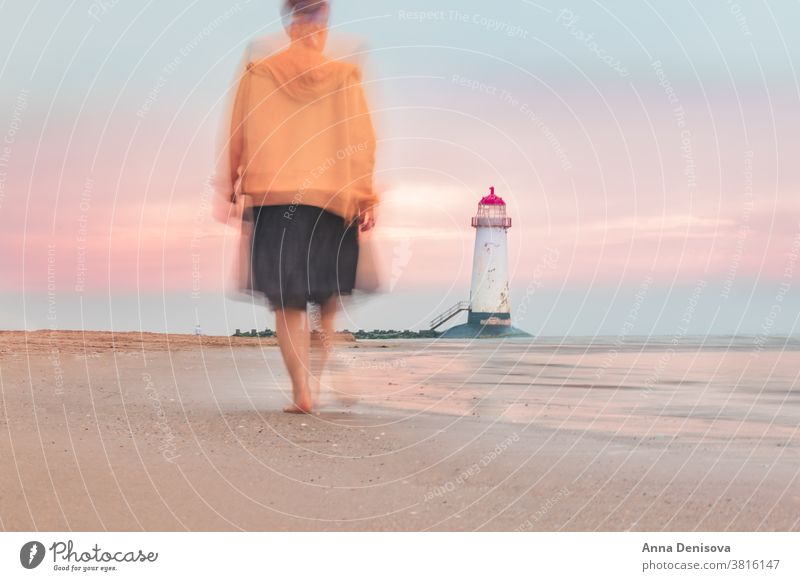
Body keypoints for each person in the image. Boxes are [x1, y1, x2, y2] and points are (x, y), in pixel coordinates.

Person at [212, 0, 378, 413]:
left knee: (287, 304)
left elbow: (238, 127)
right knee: (326, 302)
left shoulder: (259, 67)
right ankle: (321, 374)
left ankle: (302, 391)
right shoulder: (344, 73)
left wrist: (228, 182)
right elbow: (361, 138)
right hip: (331, 199)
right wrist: (365, 193)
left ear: (289, 22)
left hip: (276, 198)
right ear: (322, 23)